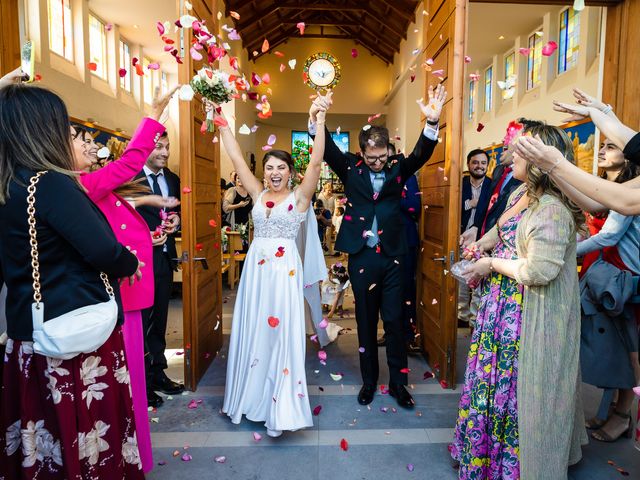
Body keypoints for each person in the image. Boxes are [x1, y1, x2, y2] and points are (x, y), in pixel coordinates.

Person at [0, 78, 144, 478]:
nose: (71, 135)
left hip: (28, 335)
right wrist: (129, 263)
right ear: (42, 128)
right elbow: (102, 250)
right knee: (82, 429)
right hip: (73, 336)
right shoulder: (50, 185)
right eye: (66, 127)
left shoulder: (8, 185)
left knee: (41, 429)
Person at [452, 122, 587, 479]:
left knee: (517, 389)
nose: (508, 155)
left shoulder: (553, 210)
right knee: (495, 384)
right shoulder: (520, 193)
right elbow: (502, 226)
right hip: (503, 306)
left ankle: (516, 464)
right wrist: (483, 244)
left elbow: (539, 272)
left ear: (539, 160)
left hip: (529, 311)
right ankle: (486, 456)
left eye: (518, 150)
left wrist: (490, 263)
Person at [309, 84, 447, 408]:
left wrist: (431, 123)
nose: (377, 163)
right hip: (361, 256)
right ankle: (369, 382)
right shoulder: (349, 167)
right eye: (371, 158)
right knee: (366, 321)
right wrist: (318, 118)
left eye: (382, 157)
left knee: (396, 321)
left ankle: (399, 384)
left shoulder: (399, 167)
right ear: (361, 153)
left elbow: (422, 154)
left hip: (394, 255)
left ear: (389, 151)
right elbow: (326, 147)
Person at [72, 86, 178, 473]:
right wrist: (151, 113)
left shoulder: (89, 184)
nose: (90, 144)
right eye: (81, 139)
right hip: (123, 294)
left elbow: (111, 228)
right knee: (128, 380)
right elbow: (131, 162)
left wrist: (148, 238)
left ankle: (131, 455)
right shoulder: (84, 183)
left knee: (130, 377)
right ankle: (129, 458)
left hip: (132, 291)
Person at [211, 99, 327, 437]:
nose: (275, 173)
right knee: (255, 330)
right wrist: (222, 122)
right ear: (264, 172)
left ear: (291, 172)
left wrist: (319, 121)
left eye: (281, 168)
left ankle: (280, 403)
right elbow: (234, 156)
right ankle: (251, 396)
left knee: (281, 334)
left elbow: (317, 162)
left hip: (284, 272)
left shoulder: (301, 198)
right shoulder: (258, 194)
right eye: (270, 168)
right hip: (257, 274)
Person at [134, 132, 184, 406]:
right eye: (158, 148)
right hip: (139, 261)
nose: (165, 153)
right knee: (141, 321)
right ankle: (140, 379)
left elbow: (174, 214)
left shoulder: (172, 179)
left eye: (167, 147)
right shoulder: (131, 180)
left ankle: (157, 371)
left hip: (164, 257)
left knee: (160, 318)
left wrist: (176, 219)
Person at [378, 142, 422, 353]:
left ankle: (407, 335)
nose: (382, 162)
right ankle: (390, 332)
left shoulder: (408, 177)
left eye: (386, 157)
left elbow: (414, 206)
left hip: (405, 242)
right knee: (385, 292)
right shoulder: (374, 177)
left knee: (405, 290)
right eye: (378, 157)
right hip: (382, 244)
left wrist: (390, 194)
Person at [458, 149, 491, 328]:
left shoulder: (492, 185)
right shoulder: (460, 183)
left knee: (478, 282)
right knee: (463, 279)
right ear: (469, 164)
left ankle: (474, 319)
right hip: (462, 237)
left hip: (483, 240)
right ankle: (461, 316)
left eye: (483, 163)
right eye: (475, 162)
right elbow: (453, 206)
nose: (479, 166)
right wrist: (469, 204)